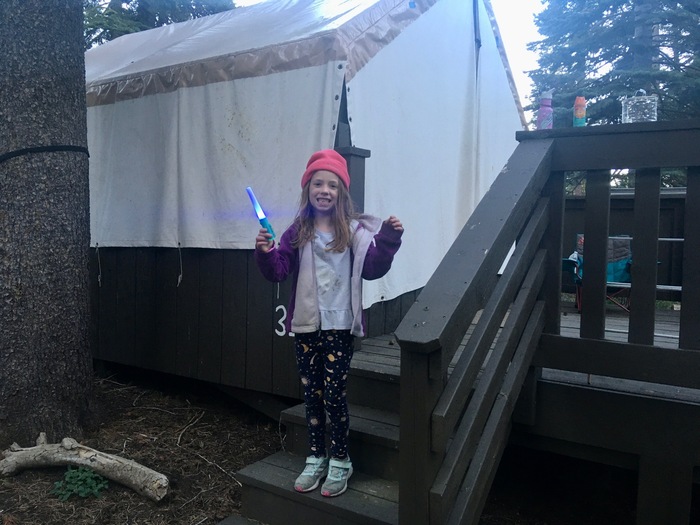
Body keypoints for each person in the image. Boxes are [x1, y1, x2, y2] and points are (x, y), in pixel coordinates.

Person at [253, 149, 403, 497]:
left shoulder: (354, 231)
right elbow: (278, 270)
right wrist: (264, 252)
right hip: (306, 328)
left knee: (334, 394)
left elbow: (373, 268)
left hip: (339, 329)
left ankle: (341, 459)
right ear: (307, 189)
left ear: (341, 192)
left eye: (332, 185)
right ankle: (316, 455)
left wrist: (390, 239)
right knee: (312, 395)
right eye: (317, 183)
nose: (324, 189)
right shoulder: (297, 231)